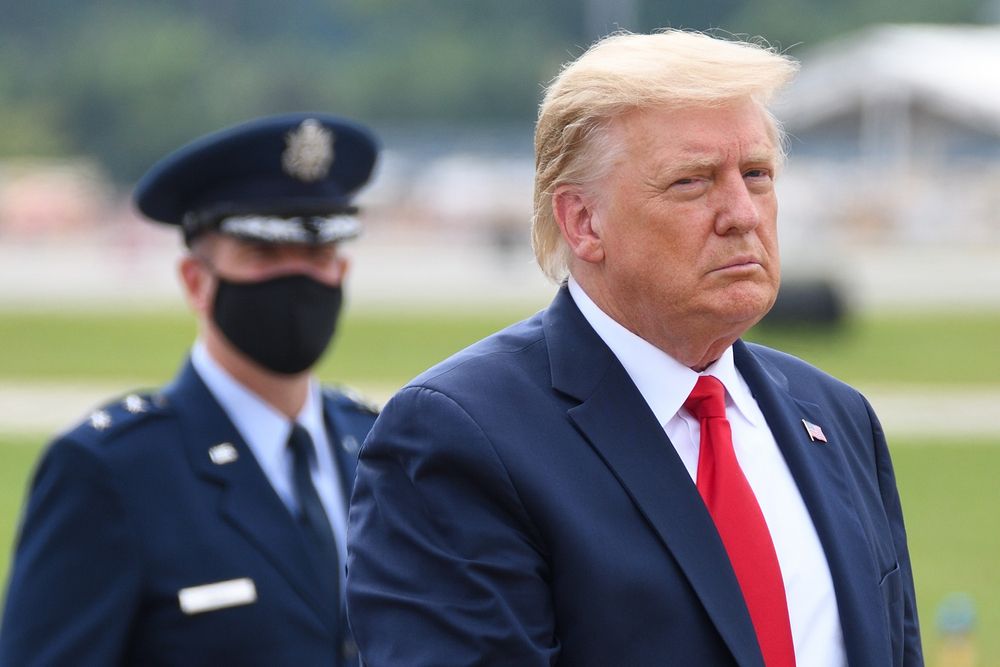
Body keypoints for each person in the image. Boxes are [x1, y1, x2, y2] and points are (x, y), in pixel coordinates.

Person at [346, 31, 922, 666]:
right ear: (583, 222)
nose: (741, 213)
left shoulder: (836, 417)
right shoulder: (462, 436)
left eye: (756, 174)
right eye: (691, 182)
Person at [1, 112, 380, 666]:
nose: (298, 280)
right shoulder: (112, 471)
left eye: (318, 257)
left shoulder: (375, 447)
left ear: (342, 271)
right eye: (264, 255)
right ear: (196, 281)